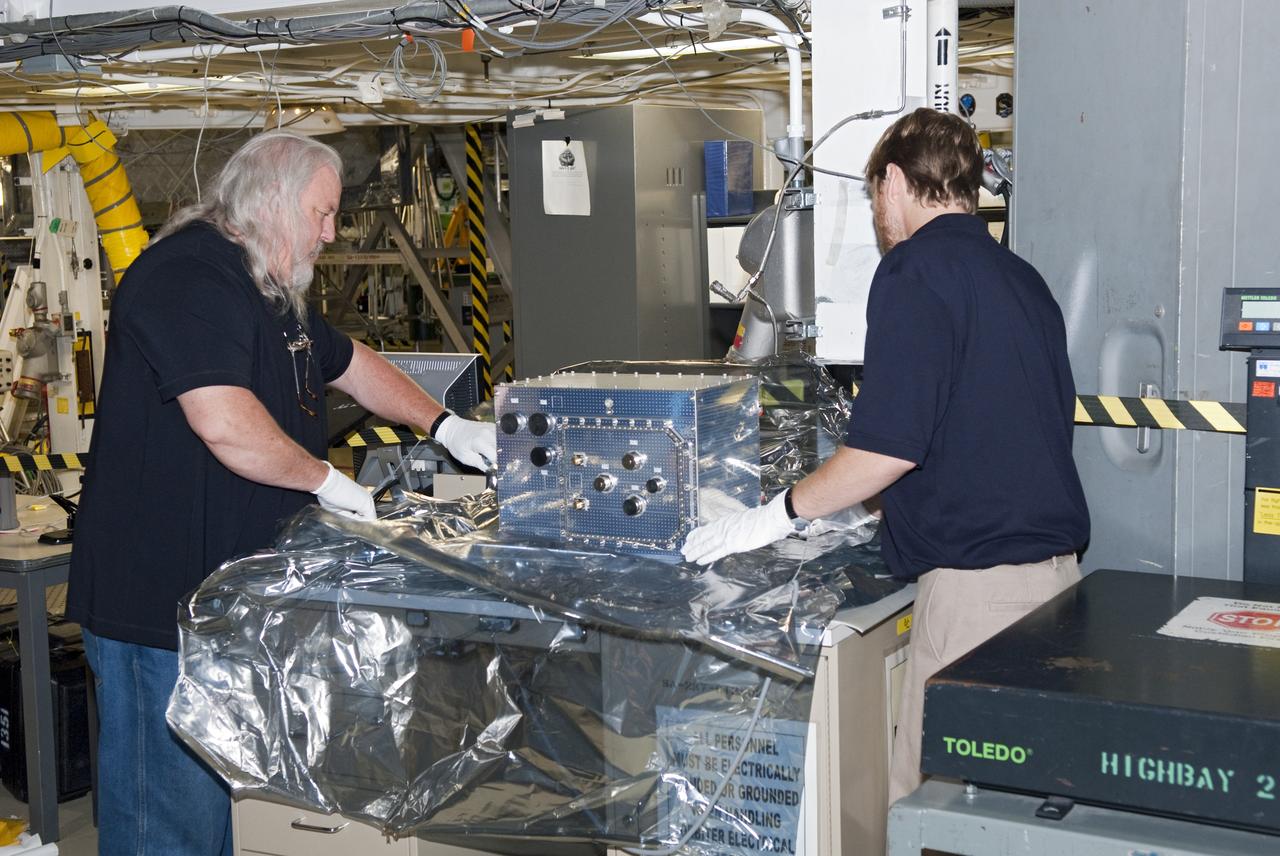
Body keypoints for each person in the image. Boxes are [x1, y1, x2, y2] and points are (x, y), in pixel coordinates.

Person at [66, 130, 496, 856]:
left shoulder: (269, 283)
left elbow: (350, 362)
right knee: (165, 826)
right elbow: (225, 425)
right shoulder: (188, 278)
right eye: (322, 214)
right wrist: (324, 479)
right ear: (269, 201)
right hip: (157, 609)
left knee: (213, 822)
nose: (332, 233)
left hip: (224, 604)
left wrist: (445, 423)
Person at [681, 108, 1090, 804]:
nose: (877, 215)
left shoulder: (913, 271)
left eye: (874, 195)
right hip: (1055, 589)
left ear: (895, 181)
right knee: (1015, 813)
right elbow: (983, 429)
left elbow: (886, 449)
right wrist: (875, 506)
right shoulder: (1023, 280)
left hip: (976, 601)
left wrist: (777, 514)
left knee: (932, 813)